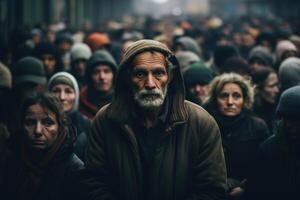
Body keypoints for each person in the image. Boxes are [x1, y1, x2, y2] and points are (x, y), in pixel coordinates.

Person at [81, 39, 227, 200]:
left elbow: (212, 189)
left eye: (158, 73)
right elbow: (94, 182)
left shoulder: (201, 123)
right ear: (128, 78)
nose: (150, 84)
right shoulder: (105, 120)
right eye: (140, 74)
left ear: (170, 77)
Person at [0, 93, 84, 200]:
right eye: (30, 122)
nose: (38, 131)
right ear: (21, 125)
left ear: (60, 127)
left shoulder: (73, 169)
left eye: (48, 123)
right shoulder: (12, 160)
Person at [203, 73, 269, 199]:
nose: (230, 102)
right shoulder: (205, 125)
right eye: (224, 96)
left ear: (245, 100)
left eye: (237, 96)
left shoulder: (258, 127)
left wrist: (246, 188)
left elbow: (265, 167)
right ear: (214, 99)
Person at [246, 85, 300, 200]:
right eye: (286, 119)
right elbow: (256, 190)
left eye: (296, 119)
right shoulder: (269, 149)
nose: (290, 125)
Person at [48, 72, 91, 160]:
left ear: (76, 95)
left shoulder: (87, 125)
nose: (62, 97)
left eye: (68, 91)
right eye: (56, 91)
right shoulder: (39, 123)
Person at [79, 49, 117, 119]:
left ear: (114, 75)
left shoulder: (123, 101)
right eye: (96, 72)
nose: (102, 77)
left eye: (106, 71)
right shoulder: (81, 102)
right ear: (90, 77)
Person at [251, 67, 279, 134]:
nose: (277, 90)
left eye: (277, 85)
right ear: (258, 89)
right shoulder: (251, 116)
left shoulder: (277, 108)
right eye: (272, 86)